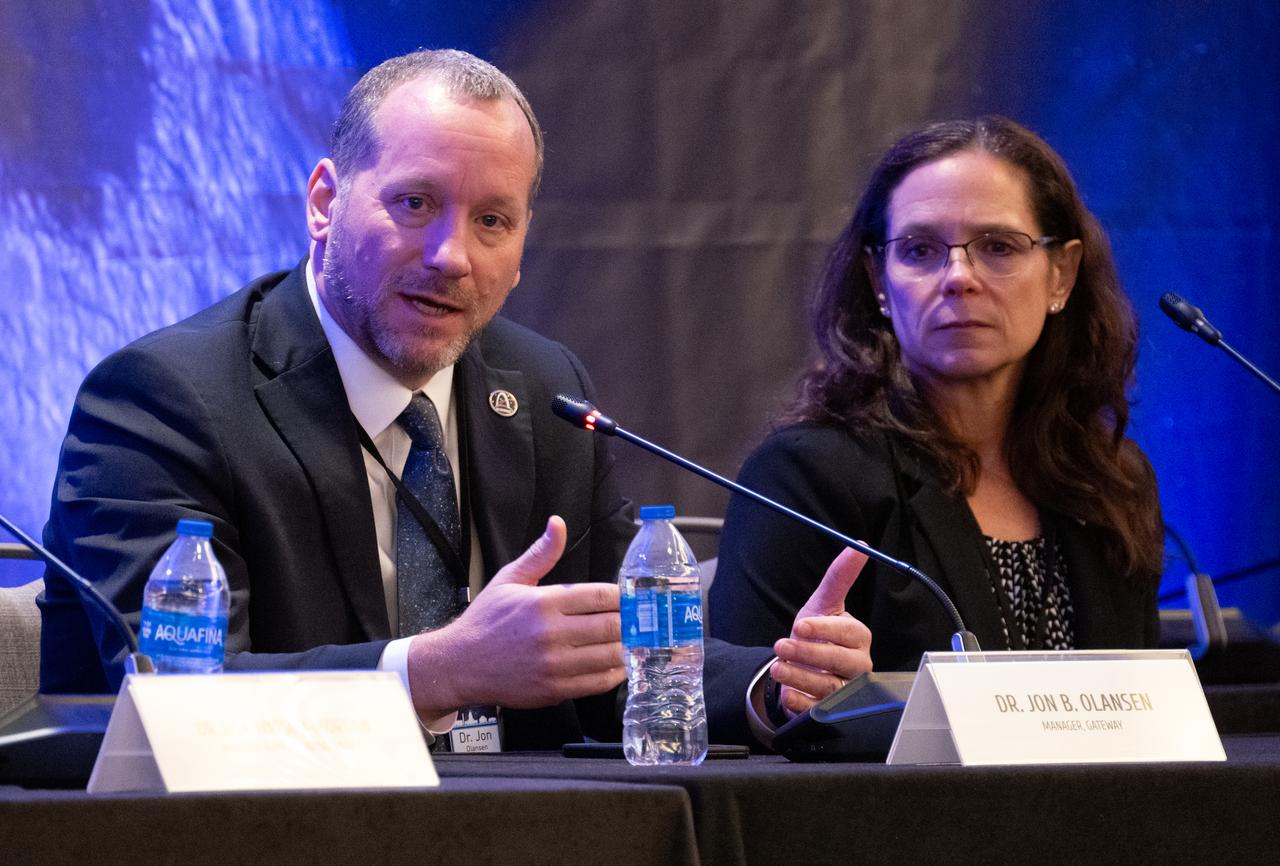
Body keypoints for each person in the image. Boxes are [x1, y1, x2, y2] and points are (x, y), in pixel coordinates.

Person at [38, 49, 870, 749]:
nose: (451, 256)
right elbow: (176, 696)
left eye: (492, 222)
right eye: (415, 203)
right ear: (325, 202)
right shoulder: (164, 399)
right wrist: (437, 671)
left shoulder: (547, 391)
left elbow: (619, 655)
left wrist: (773, 685)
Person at [711, 117, 1163, 689]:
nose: (958, 277)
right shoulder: (810, 474)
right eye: (920, 250)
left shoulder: (1112, 480)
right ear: (879, 278)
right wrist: (792, 689)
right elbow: (730, 693)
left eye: (998, 246)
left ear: (1061, 275)